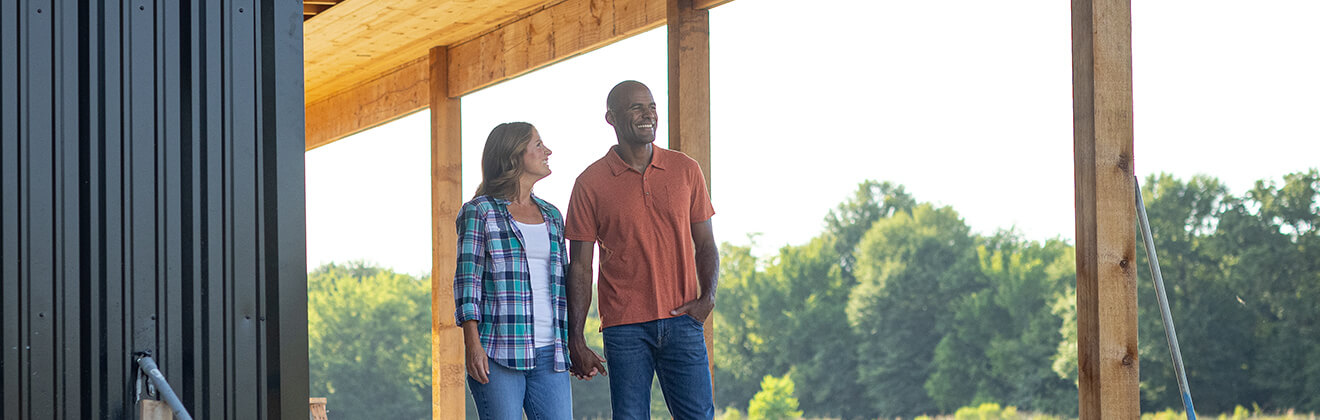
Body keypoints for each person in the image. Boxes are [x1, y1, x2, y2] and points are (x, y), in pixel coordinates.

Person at [565, 80, 719, 419]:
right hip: (625, 327)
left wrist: (707, 298)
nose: (648, 113)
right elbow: (579, 267)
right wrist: (575, 337)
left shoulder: (686, 169)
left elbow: (706, 243)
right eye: (636, 107)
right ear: (612, 118)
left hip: (683, 320)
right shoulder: (589, 183)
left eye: (651, 106)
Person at [453, 122, 572, 420]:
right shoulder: (479, 211)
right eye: (538, 145)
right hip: (497, 353)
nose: (548, 151)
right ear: (515, 155)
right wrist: (473, 346)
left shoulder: (552, 216)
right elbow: (468, 284)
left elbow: (563, 286)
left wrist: (575, 344)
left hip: (550, 355)